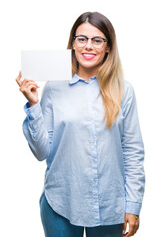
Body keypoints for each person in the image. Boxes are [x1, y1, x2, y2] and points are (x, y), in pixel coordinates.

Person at [16, 12, 145, 237]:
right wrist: (33, 105)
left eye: (97, 40)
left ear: (108, 47)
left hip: (110, 205)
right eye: (82, 39)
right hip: (60, 204)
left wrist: (133, 206)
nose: (88, 46)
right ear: (73, 44)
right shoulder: (54, 88)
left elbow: (132, 153)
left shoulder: (124, 90)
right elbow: (41, 152)